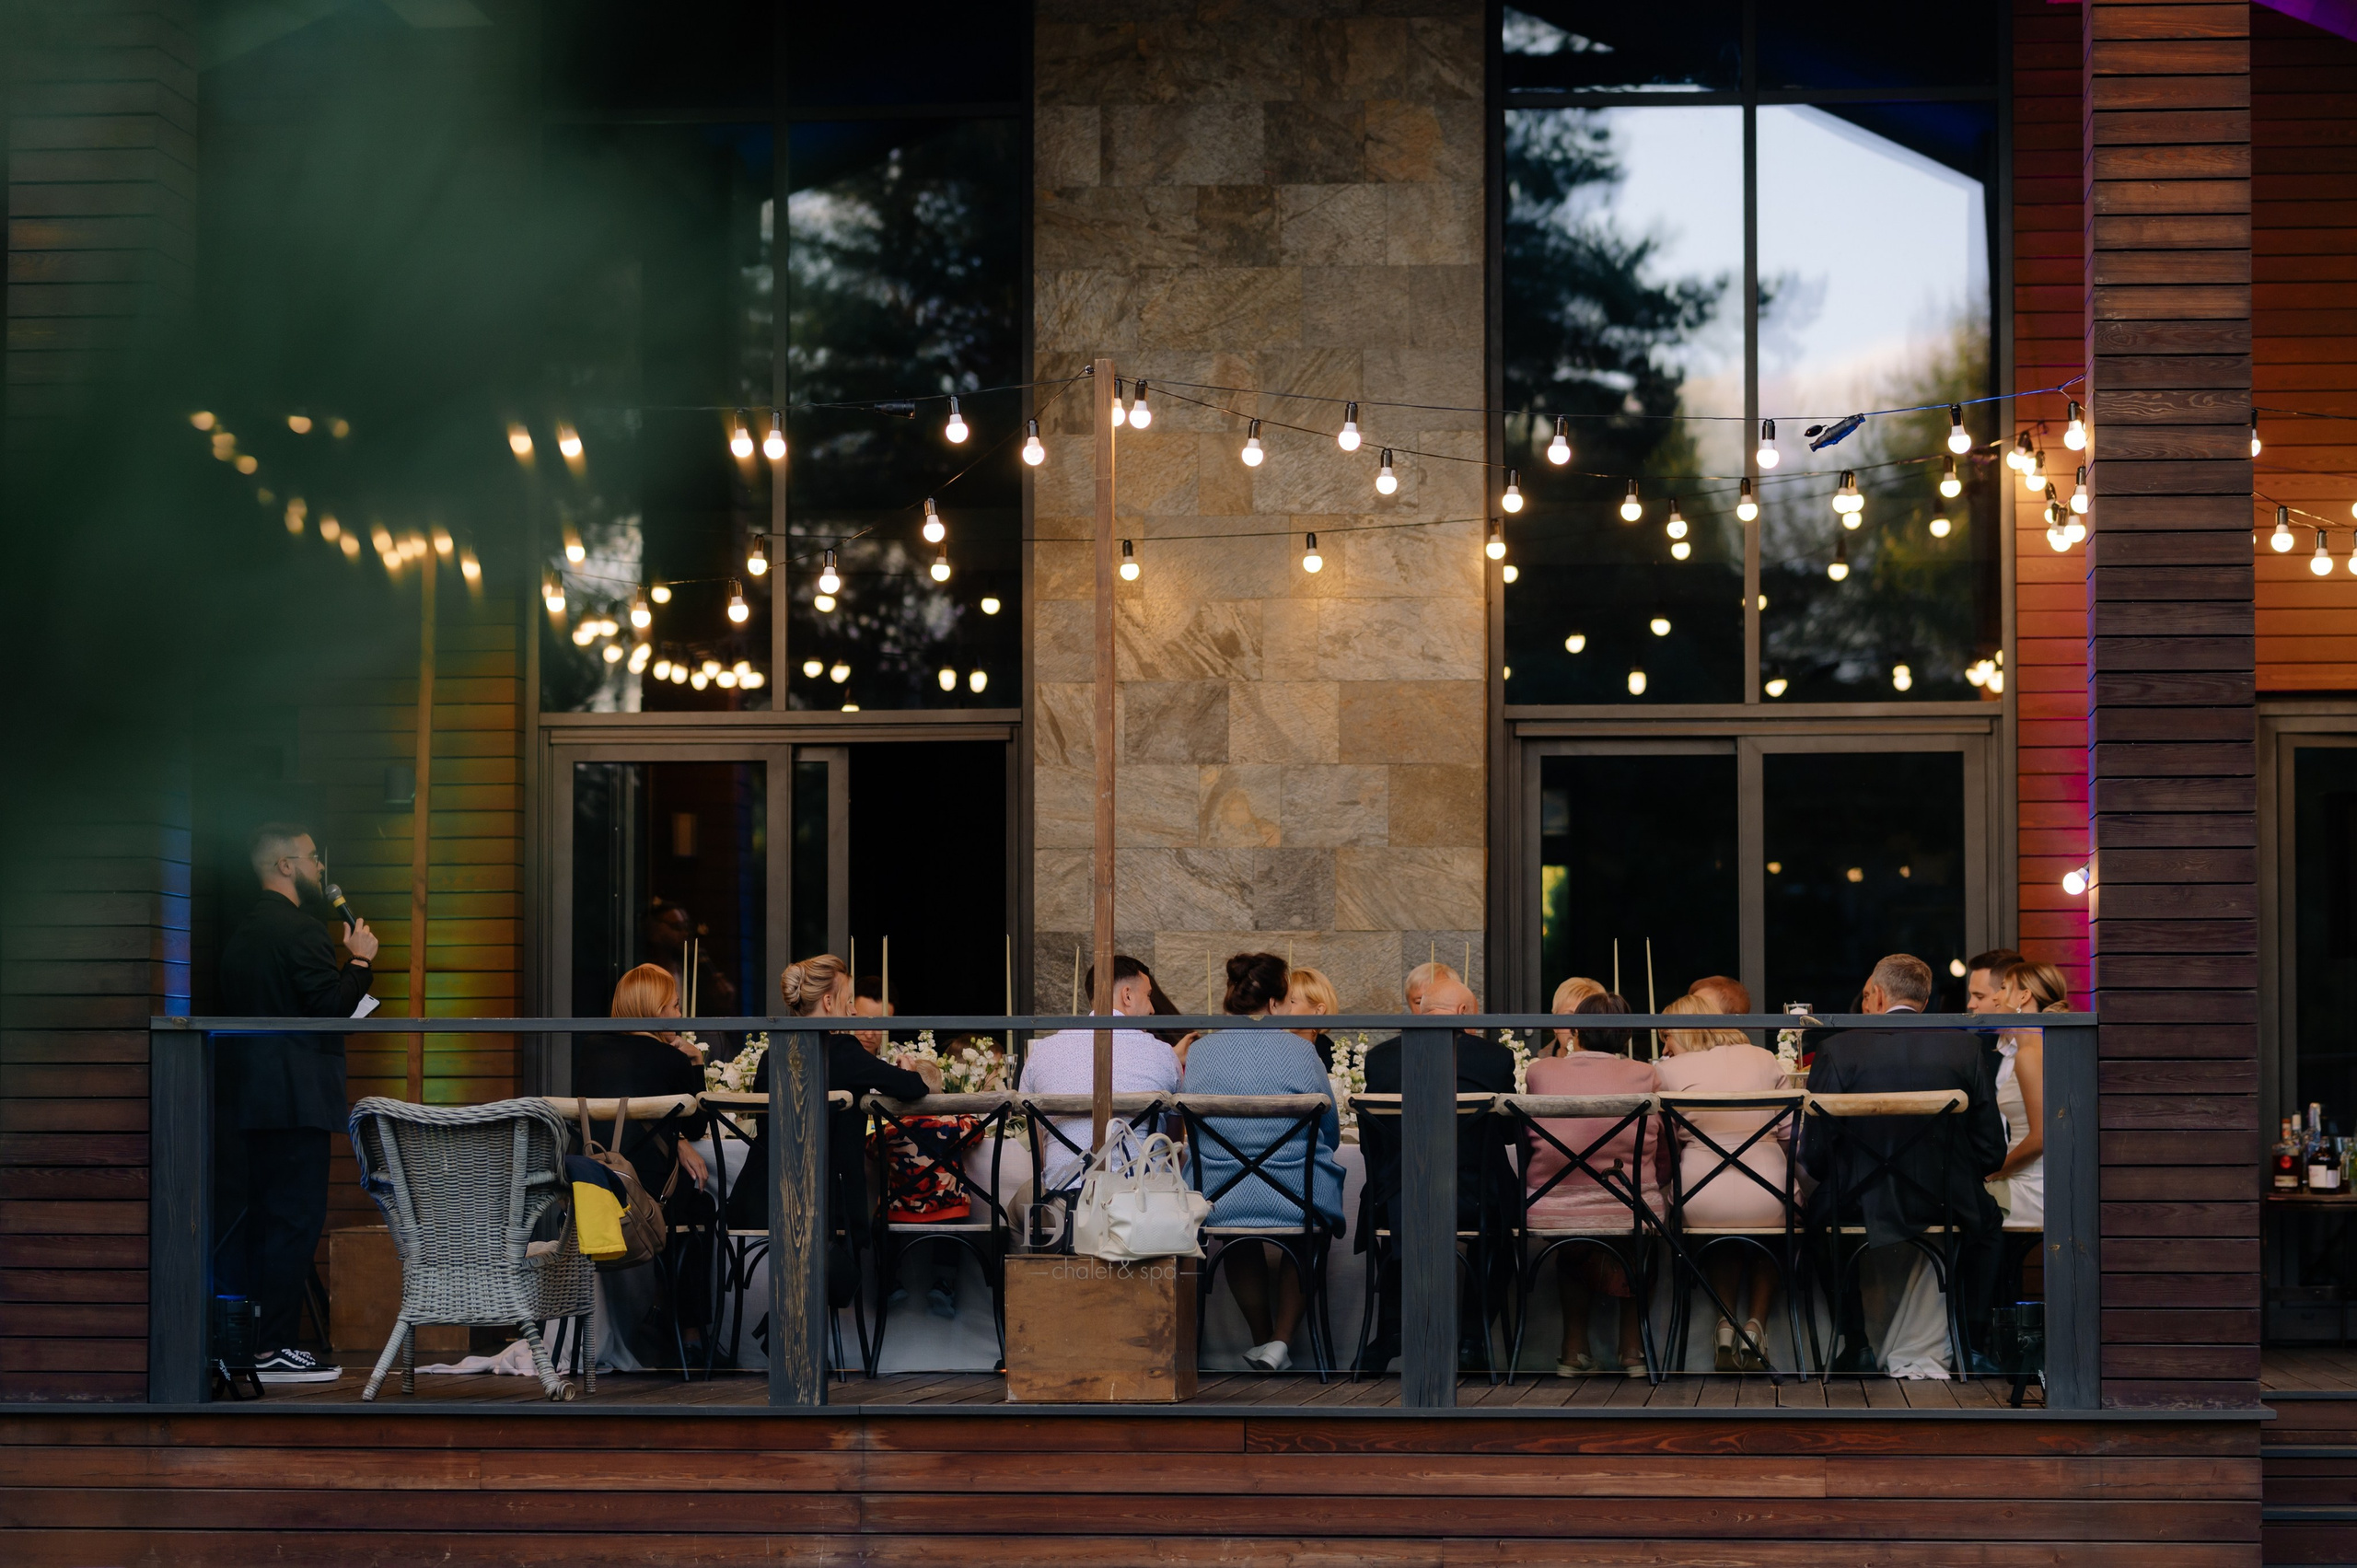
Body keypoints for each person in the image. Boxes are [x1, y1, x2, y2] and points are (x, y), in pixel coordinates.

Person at [218, 823, 377, 1383]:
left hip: (250, 1100)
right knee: (294, 1221)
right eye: (312, 858)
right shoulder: (302, 931)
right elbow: (328, 1010)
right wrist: (358, 962)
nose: (319, 870)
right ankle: (274, 1349)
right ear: (285, 865)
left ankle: (247, 1341)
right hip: (296, 1099)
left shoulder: (242, 933)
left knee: (262, 1221)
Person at [1801, 954, 2008, 1376]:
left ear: (1876, 995)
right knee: (1988, 1224)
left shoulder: (1836, 1049)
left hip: (1860, 1200)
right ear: (1925, 1000)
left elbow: (1815, 1154)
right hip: (1947, 1198)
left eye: (1864, 997)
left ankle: (1855, 1341)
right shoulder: (1965, 1047)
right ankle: (1971, 1343)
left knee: (1816, 1222)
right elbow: (1991, 1149)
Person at [1180, 954, 1350, 1373]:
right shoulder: (1301, 1051)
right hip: (1295, 1192)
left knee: (1235, 1233)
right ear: (1276, 1003)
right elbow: (1327, 1128)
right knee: (1306, 1232)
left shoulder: (1200, 1052)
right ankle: (1280, 1341)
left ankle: (1261, 1338)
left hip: (1218, 1195)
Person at [737, 957, 942, 1290]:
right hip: (825, 1209)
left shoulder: (771, 1052)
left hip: (764, 1199)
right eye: (849, 1003)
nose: (851, 1013)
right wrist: (907, 1068)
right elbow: (913, 1088)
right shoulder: (842, 1050)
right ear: (829, 1001)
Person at [1357, 970, 1518, 1372]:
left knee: (1401, 1209)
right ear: (1463, 1011)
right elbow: (1512, 1133)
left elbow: (1369, 1143)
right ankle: (1473, 1338)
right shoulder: (1494, 1058)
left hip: (1399, 1196)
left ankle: (1393, 1329)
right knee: (1502, 1220)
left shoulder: (1381, 1058)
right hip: (1474, 1199)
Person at [1523, 993, 1657, 1376]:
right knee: (1641, 1231)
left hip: (1551, 1204)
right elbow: (1657, 1142)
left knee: (1574, 1238)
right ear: (1627, 1037)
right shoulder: (1644, 1073)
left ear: (1576, 1031)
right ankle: (1632, 1352)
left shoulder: (1541, 1070)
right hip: (1628, 1203)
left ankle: (1573, 1350)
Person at [1655, 993, 1791, 1371]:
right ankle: (1756, 1325)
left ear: (1688, 1032)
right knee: (1781, 1225)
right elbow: (1792, 1134)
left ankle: (1726, 1325)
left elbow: (1663, 1142)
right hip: (1769, 1193)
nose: (1664, 1046)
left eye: (1667, 1036)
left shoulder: (1667, 1072)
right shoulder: (1765, 1060)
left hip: (1701, 1197)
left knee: (1716, 1229)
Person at [1018, 955, 1182, 1191]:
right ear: (1127, 995)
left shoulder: (1042, 1052)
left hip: (1063, 1202)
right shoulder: (1164, 1054)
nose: (1152, 1008)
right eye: (1148, 996)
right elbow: (1172, 1146)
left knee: (1011, 1215)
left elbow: (1038, 1148)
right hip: (1143, 1206)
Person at [574, 963, 709, 1192]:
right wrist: (697, 1061)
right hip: (652, 1192)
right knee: (705, 1203)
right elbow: (696, 1130)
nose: (680, 1015)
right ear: (658, 1011)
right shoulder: (671, 1058)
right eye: (676, 1006)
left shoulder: (591, 1049)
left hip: (592, 1182)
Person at [1986, 958, 2064, 1229]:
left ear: (2024, 996)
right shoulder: (2043, 1046)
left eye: (2004, 987)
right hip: (2033, 1179)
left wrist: (1994, 1172)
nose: (1995, 997)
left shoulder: (2030, 1054)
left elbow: (2042, 1137)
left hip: (2032, 1189)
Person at [1287, 966, 1341, 1067]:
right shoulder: (1271, 1052)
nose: (1283, 1007)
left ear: (1318, 1010)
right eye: (1282, 1001)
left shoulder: (1341, 1063)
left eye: (1291, 1001)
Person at [1546, 975, 1605, 1054]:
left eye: (1586, 1019)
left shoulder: (1616, 1065)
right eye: (1570, 1018)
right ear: (1554, 1022)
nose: (1576, 1029)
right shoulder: (1535, 1065)